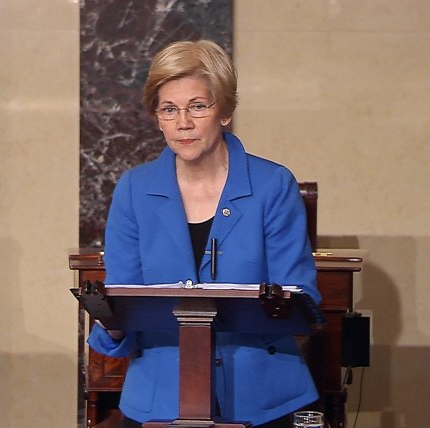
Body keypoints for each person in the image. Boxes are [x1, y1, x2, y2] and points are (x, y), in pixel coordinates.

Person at [87, 39, 321, 428]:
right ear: (157, 117)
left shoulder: (273, 185)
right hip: (158, 397)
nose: (183, 123)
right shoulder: (134, 190)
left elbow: (302, 300)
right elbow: (122, 302)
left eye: (198, 106)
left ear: (225, 110)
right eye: (169, 109)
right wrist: (109, 317)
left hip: (263, 398)